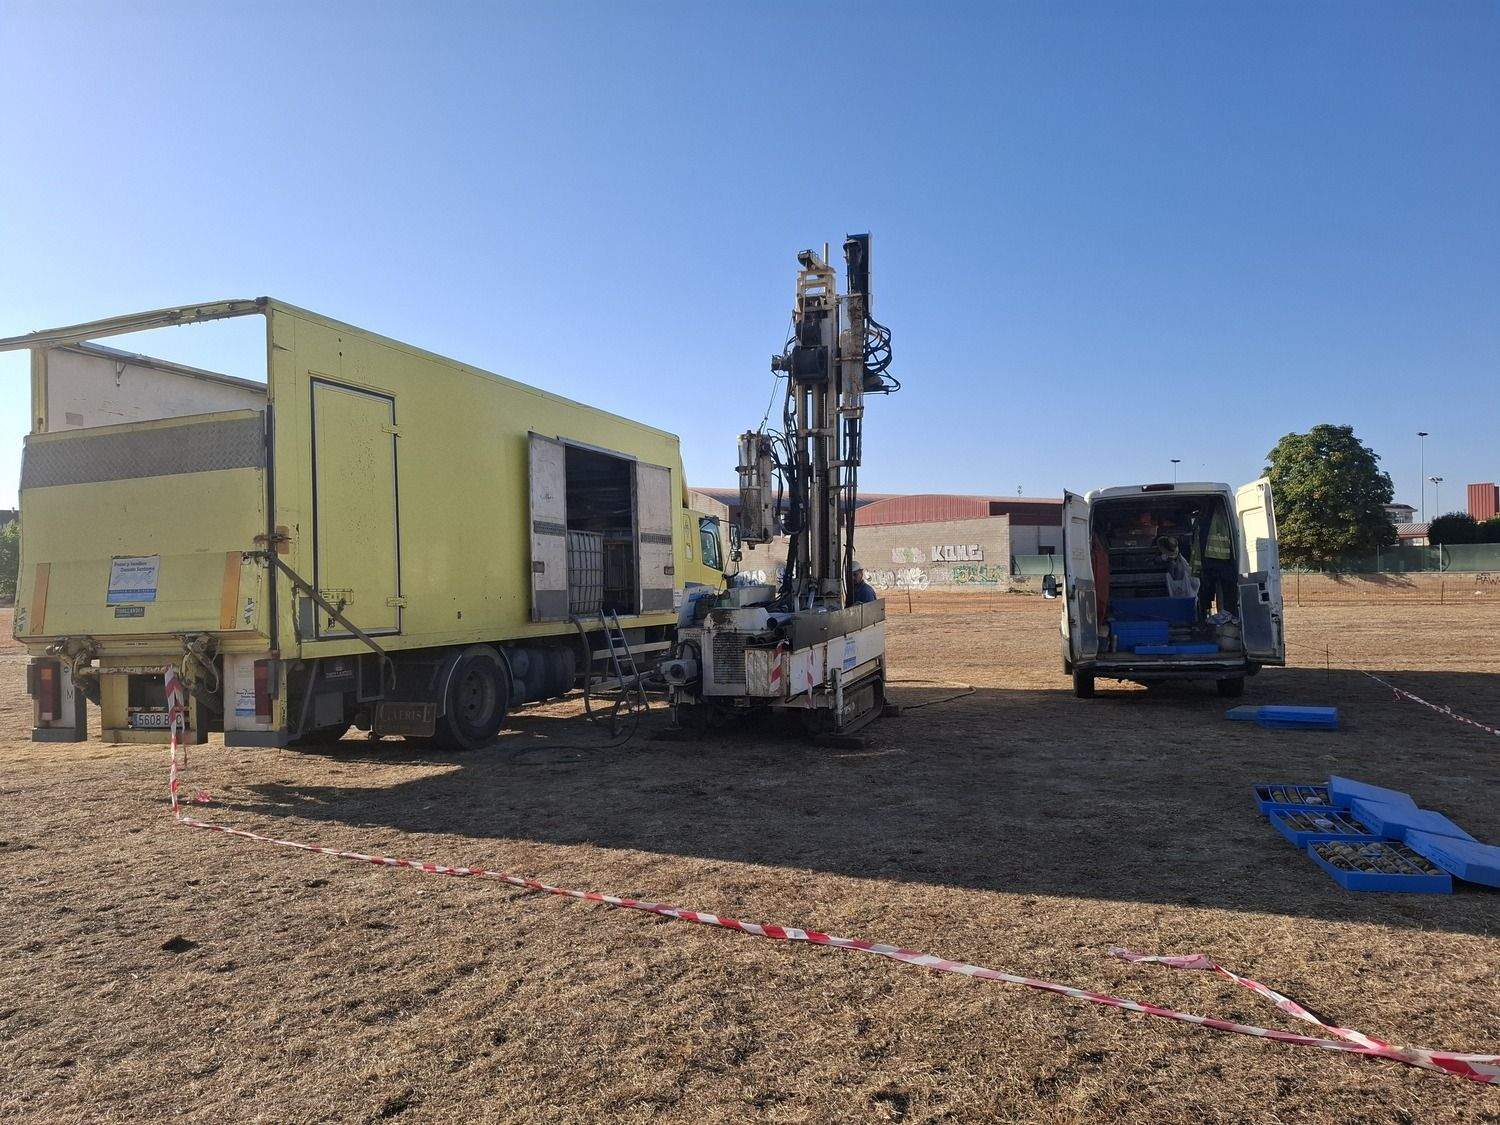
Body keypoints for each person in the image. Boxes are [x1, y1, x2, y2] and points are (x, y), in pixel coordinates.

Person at [1198, 504, 1239, 617]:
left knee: (1209, 590)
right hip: (1223, 562)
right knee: (1227, 591)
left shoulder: (1204, 522)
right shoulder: (1223, 516)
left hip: (1214, 563)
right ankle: (1229, 615)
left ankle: (1210, 615)